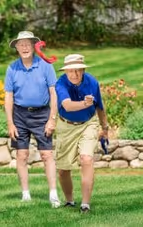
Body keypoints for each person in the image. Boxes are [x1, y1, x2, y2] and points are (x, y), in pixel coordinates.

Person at [4, 31, 60, 208]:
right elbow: (8, 97)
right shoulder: (12, 68)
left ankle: (53, 194)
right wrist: (10, 123)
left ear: (34, 46)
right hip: (19, 115)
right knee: (22, 155)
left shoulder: (45, 66)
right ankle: (25, 194)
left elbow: (53, 93)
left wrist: (52, 119)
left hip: (42, 114)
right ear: (17, 48)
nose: (25, 47)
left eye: (28, 44)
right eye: (21, 44)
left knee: (46, 154)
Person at [55, 54, 109, 213]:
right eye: (71, 71)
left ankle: (85, 204)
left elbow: (100, 107)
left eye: (78, 70)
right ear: (65, 71)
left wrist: (104, 128)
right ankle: (69, 200)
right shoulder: (60, 83)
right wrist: (85, 103)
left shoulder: (92, 82)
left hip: (88, 124)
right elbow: (67, 106)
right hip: (66, 126)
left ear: (83, 69)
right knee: (63, 170)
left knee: (87, 158)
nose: (75, 74)